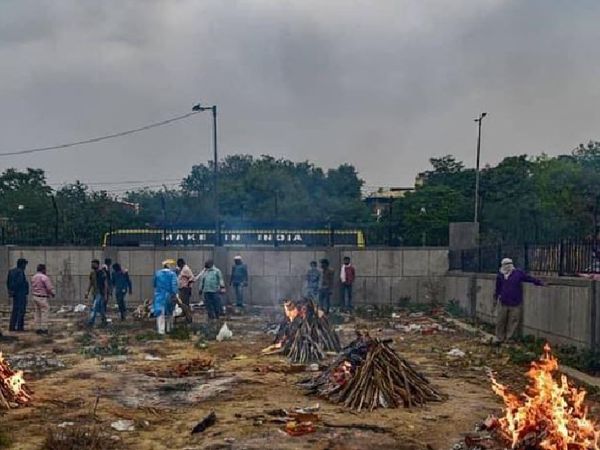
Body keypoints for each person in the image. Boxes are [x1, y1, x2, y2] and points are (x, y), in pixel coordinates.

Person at [494, 258, 544, 343]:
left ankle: (510, 338)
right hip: (503, 302)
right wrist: (495, 298)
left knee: (513, 321)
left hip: (515, 302)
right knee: (501, 321)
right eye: (505, 264)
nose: (507, 266)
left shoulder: (518, 273)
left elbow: (528, 278)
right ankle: (499, 338)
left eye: (509, 264)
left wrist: (539, 282)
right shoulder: (500, 275)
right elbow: (498, 288)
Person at [153, 259, 178, 335]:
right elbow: (174, 286)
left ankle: (161, 331)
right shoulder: (172, 274)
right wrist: (174, 294)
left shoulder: (157, 274)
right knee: (170, 313)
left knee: (160, 313)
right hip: (169, 295)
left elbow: (154, 284)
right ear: (169, 266)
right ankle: (169, 328)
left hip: (159, 296)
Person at [31, 264, 55, 335]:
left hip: (35, 296)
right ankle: (44, 328)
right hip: (42, 297)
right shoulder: (44, 277)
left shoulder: (34, 277)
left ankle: (37, 328)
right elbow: (49, 287)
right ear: (43, 269)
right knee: (44, 312)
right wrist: (52, 293)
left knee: (37, 312)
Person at [6, 258, 29, 332]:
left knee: (15, 310)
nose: (25, 266)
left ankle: (12, 326)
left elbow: (8, 282)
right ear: (22, 264)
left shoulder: (11, 271)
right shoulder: (20, 272)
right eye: (25, 264)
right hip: (21, 293)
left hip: (14, 294)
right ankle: (20, 327)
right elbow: (20, 282)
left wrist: (11, 291)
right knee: (21, 310)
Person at [86, 259, 108, 327]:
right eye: (92, 264)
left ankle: (91, 321)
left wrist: (106, 294)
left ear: (97, 265)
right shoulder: (92, 273)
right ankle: (104, 320)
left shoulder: (102, 273)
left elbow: (105, 284)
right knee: (101, 308)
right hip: (95, 293)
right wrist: (87, 291)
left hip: (100, 293)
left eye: (94, 264)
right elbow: (90, 283)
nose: (92, 265)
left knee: (94, 307)